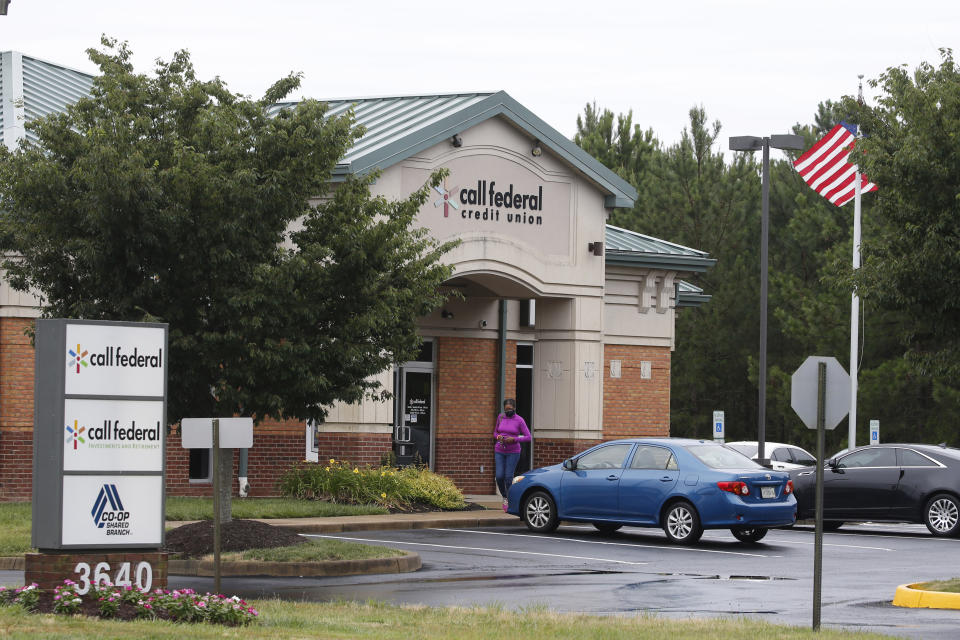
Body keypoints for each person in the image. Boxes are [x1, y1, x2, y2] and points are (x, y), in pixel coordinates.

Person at [494, 398, 531, 511]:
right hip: (499, 449)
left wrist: (514, 439)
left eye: (510, 409)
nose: (508, 411)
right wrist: (497, 437)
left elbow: (528, 437)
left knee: (508, 477)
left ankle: (511, 500)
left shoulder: (519, 420)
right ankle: (505, 496)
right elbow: (495, 432)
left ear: (514, 408)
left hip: (513, 452)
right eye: (506, 409)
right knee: (499, 476)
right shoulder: (500, 417)